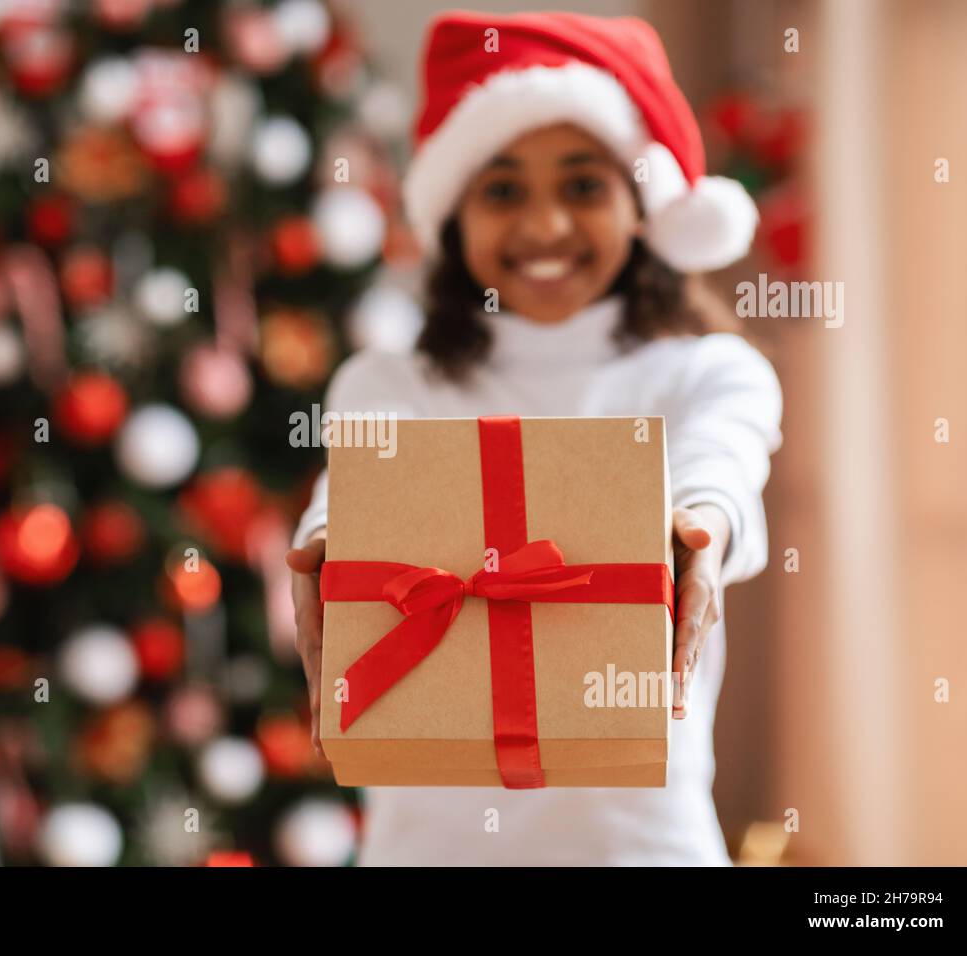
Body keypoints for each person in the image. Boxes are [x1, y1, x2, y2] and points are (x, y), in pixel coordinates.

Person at [285, 11, 784, 866]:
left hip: (645, 844)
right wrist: (334, 545)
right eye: (503, 189)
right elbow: (355, 490)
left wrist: (704, 527)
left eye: (584, 185)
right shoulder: (392, 382)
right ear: (455, 216)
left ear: (643, 205)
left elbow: (721, 469)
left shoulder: (708, 373)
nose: (546, 226)